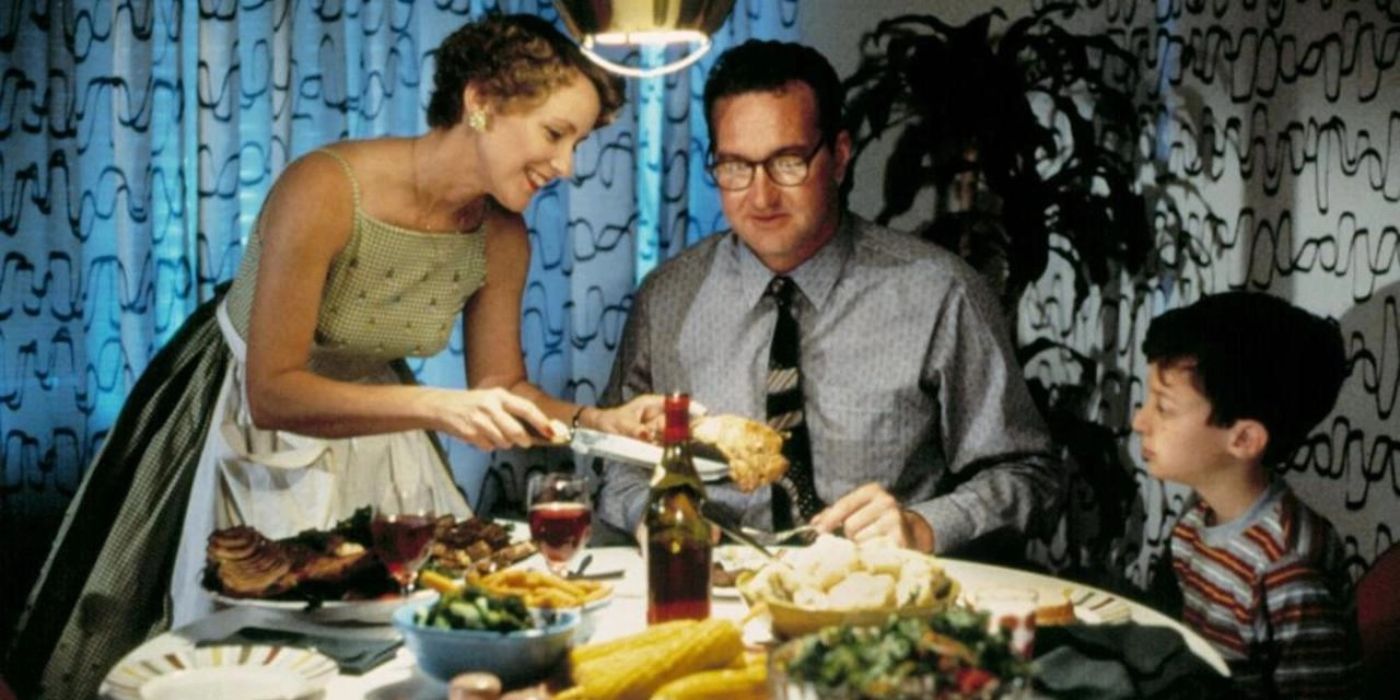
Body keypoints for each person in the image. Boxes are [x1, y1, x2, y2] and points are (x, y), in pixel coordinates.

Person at [6, 14, 656, 699]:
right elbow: (273, 391)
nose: (567, 165)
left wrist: (600, 421)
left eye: (580, 142)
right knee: (248, 662)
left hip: (382, 425)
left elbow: (501, 383)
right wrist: (435, 408)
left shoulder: (502, 236)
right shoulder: (325, 187)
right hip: (235, 419)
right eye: (556, 134)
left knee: (392, 651)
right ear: (482, 102)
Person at [594, 39, 1065, 555]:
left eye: (788, 162)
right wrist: (654, 518)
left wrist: (924, 526)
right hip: (713, 597)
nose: (761, 196)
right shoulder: (666, 298)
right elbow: (620, 462)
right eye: (735, 167)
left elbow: (1029, 475)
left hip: (878, 604)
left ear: (839, 157)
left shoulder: (940, 293)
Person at [1132, 291, 1358, 696]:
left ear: (1244, 439)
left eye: (1163, 407)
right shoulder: (1193, 526)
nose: (1138, 421)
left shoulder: (1286, 570)